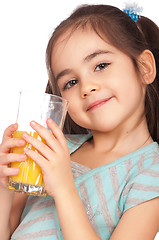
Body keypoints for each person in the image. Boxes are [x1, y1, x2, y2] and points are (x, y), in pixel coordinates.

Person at [0, 3, 159, 240]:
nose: (86, 87)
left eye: (101, 65)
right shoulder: (53, 150)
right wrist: (3, 188)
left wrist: (64, 188)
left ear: (144, 68)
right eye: (71, 83)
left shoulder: (151, 174)